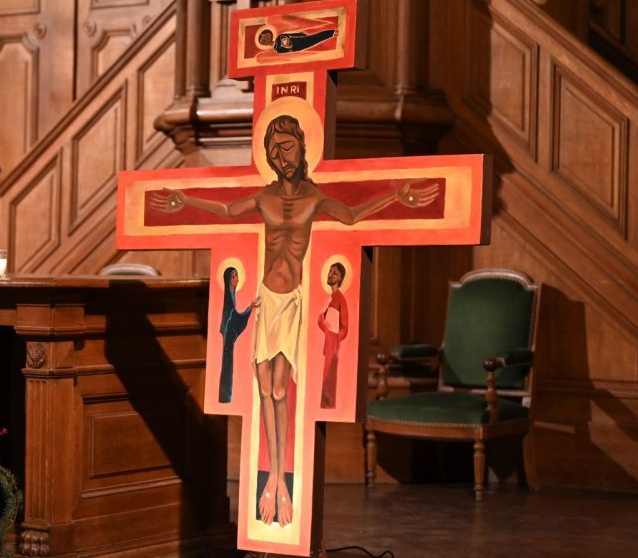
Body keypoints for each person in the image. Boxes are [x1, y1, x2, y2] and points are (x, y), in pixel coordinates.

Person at [150, 113, 438, 527]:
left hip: (292, 302)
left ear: (302, 146)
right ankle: (273, 482)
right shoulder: (265, 198)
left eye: (286, 147)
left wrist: (397, 195)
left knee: (281, 391)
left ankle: (283, 480)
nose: (280, 157)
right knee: (264, 390)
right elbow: (229, 211)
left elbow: (354, 216)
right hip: (266, 298)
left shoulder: (315, 198)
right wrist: (186, 201)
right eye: (273, 150)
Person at [218, 266, 254, 403]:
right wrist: (249, 309)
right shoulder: (229, 295)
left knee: (228, 364)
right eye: (233, 277)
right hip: (228, 332)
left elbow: (234, 315)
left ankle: (226, 396)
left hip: (229, 331)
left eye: (236, 276)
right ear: (227, 279)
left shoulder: (232, 294)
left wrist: (248, 309)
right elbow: (231, 316)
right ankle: (224, 396)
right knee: (227, 364)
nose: (235, 279)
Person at [318, 262, 349, 408]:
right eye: (330, 272)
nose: (330, 275)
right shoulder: (330, 298)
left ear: (340, 278)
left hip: (333, 344)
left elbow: (344, 327)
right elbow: (322, 320)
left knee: (329, 376)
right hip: (328, 342)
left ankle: (328, 405)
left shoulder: (340, 299)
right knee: (324, 375)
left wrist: (334, 339)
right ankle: (325, 404)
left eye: (334, 273)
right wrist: (324, 326)